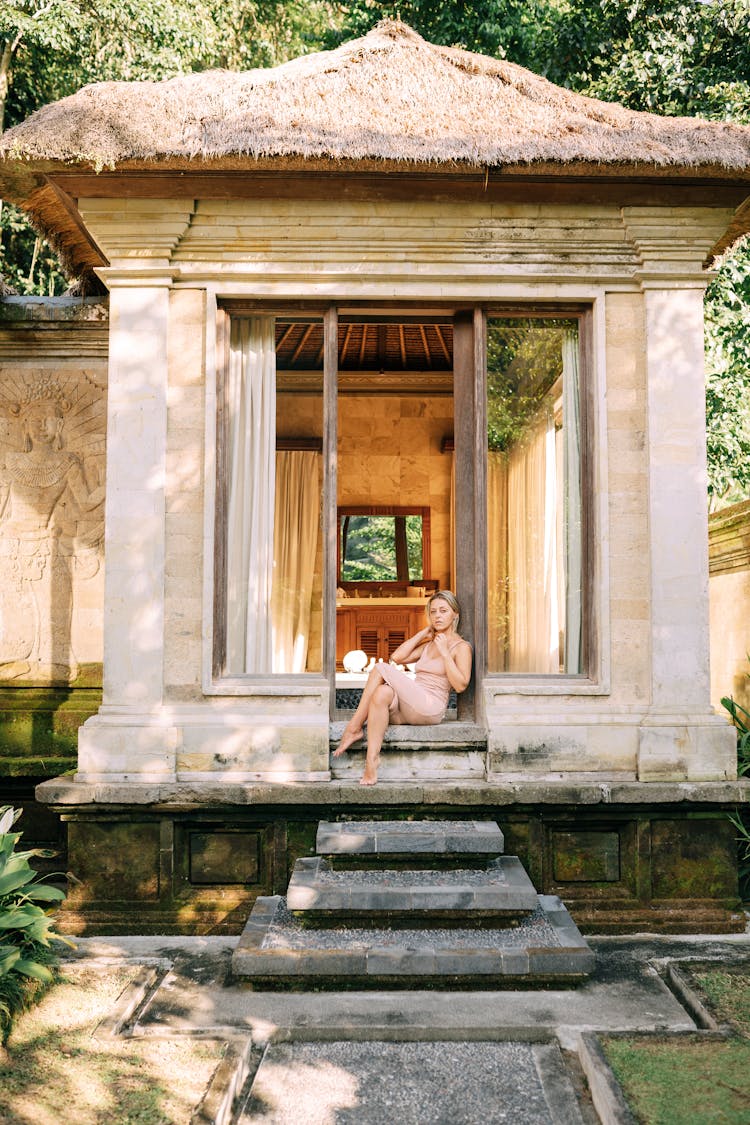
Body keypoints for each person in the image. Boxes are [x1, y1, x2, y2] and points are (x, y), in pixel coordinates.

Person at [333, 590, 472, 785]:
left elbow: (461, 685)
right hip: (412, 704)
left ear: (455, 614)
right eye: (433, 612)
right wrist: (423, 633)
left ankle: (354, 727)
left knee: (380, 668)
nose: (438, 616)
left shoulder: (461, 647)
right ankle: (371, 762)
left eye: (443, 611)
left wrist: (445, 653)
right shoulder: (429, 644)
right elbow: (397, 657)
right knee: (382, 693)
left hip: (430, 706)